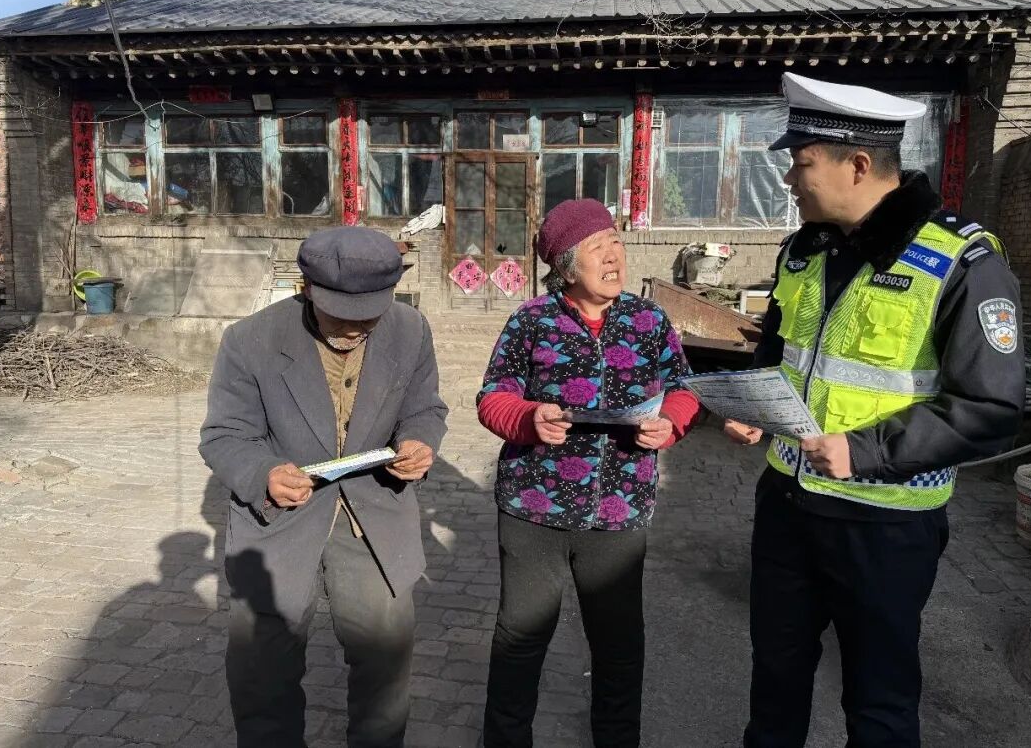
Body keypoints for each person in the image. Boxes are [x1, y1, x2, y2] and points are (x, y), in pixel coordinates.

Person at [727, 73, 1026, 748]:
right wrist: (754, 404)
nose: (790, 180)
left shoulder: (962, 262)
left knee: (879, 703)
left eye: (802, 164)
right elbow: (778, 350)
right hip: (787, 508)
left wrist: (865, 451)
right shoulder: (804, 250)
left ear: (858, 165)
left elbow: (990, 407)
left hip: (884, 527)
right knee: (774, 681)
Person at [199, 226, 448, 748]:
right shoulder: (250, 340)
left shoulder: (410, 330)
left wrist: (419, 441)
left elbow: (425, 408)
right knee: (263, 674)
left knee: (384, 672)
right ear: (307, 288)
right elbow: (225, 435)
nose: (354, 329)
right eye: (340, 314)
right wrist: (264, 473)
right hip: (279, 524)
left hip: (374, 516)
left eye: (368, 316)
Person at [476, 198, 702, 747]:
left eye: (616, 243)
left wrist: (670, 423)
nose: (613, 256)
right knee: (520, 642)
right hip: (535, 507)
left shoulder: (648, 320)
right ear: (566, 266)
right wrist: (529, 418)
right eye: (598, 248)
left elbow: (684, 388)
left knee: (619, 647)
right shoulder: (532, 320)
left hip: (620, 511)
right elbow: (493, 396)